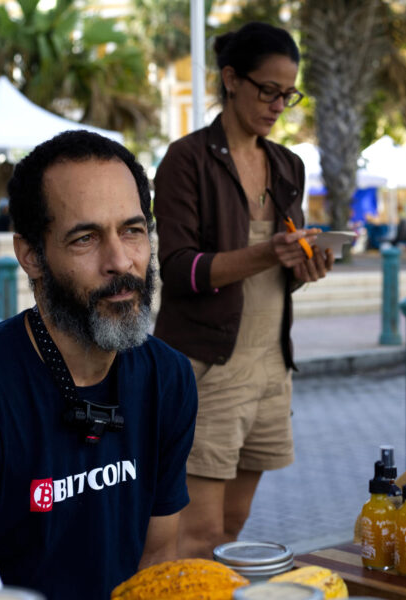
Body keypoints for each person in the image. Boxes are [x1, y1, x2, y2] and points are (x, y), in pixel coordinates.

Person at [0, 130, 198, 600]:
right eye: (85, 238)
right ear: (30, 256)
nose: (120, 262)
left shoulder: (168, 379)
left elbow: (157, 557)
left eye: (132, 231)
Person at [153, 21, 334, 558]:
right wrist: (266, 253)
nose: (280, 105)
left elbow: (278, 268)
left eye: (289, 94)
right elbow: (179, 269)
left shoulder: (286, 165)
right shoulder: (187, 160)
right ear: (231, 79)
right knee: (196, 535)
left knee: (232, 529)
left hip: (270, 367)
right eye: (269, 90)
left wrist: (306, 265)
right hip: (208, 367)